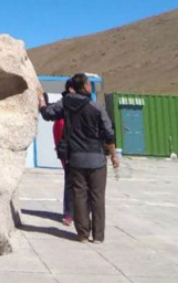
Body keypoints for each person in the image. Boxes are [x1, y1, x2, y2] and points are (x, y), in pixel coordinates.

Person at [37, 73, 120, 243]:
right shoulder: (96, 107)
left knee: (79, 195)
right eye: (88, 84)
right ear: (84, 87)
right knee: (97, 197)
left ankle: (82, 233)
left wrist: (41, 102)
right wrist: (113, 155)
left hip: (75, 158)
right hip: (96, 159)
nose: (90, 86)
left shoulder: (65, 104)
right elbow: (109, 133)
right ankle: (98, 236)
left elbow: (48, 114)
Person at [53, 78, 75, 226]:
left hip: (78, 147)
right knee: (70, 180)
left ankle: (74, 212)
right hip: (68, 147)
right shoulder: (65, 104)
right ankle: (69, 213)